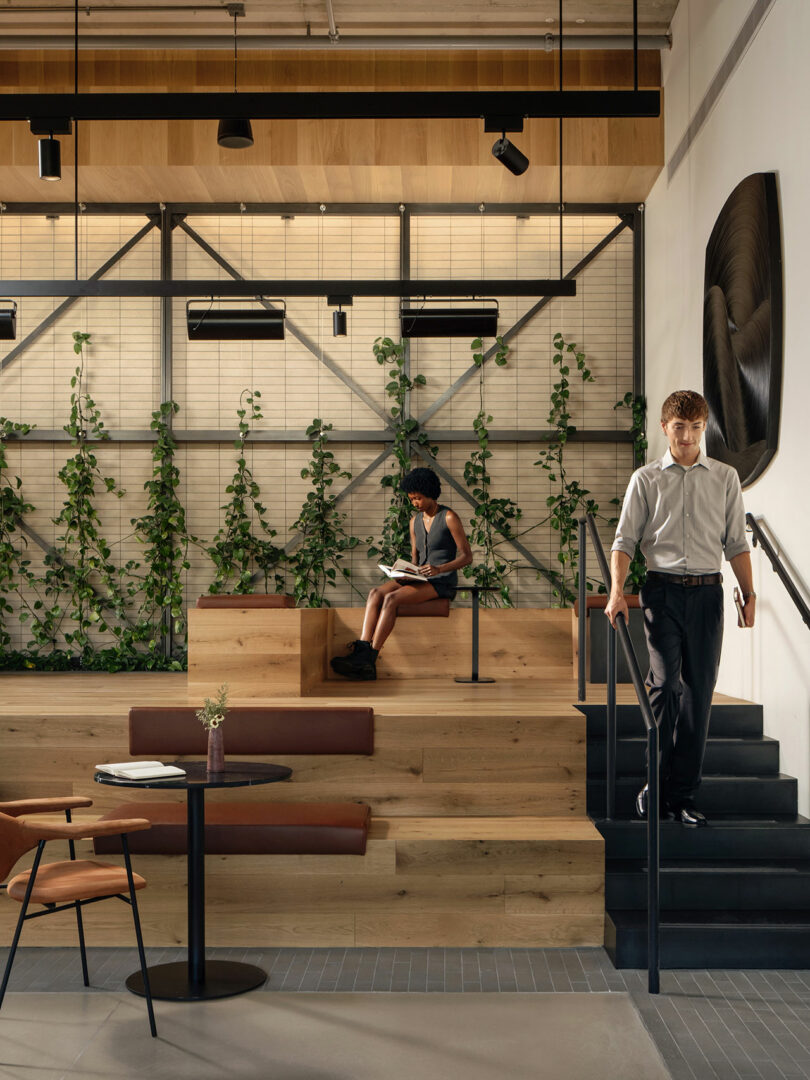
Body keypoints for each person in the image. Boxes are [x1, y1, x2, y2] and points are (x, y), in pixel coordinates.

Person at [605, 390, 756, 827]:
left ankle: (682, 795)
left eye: (695, 428)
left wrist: (750, 595)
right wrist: (617, 592)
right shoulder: (646, 479)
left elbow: (736, 543)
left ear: (704, 428)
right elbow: (624, 542)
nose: (687, 436)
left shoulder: (725, 478)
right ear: (665, 428)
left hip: (708, 596)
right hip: (662, 592)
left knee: (698, 696)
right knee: (666, 684)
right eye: (679, 428)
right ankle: (653, 783)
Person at [330, 467, 472, 680]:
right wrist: (406, 573)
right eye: (412, 499)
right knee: (375, 593)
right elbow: (415, 559)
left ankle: (370, 659)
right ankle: (362, 649)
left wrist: (439, 568)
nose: (415, 503)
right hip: (420, 578)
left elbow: (466, 556)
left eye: (418, 498)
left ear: (430, 493)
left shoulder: (449, 517)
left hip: (441, 581)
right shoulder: (414, 522)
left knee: (391, 599)